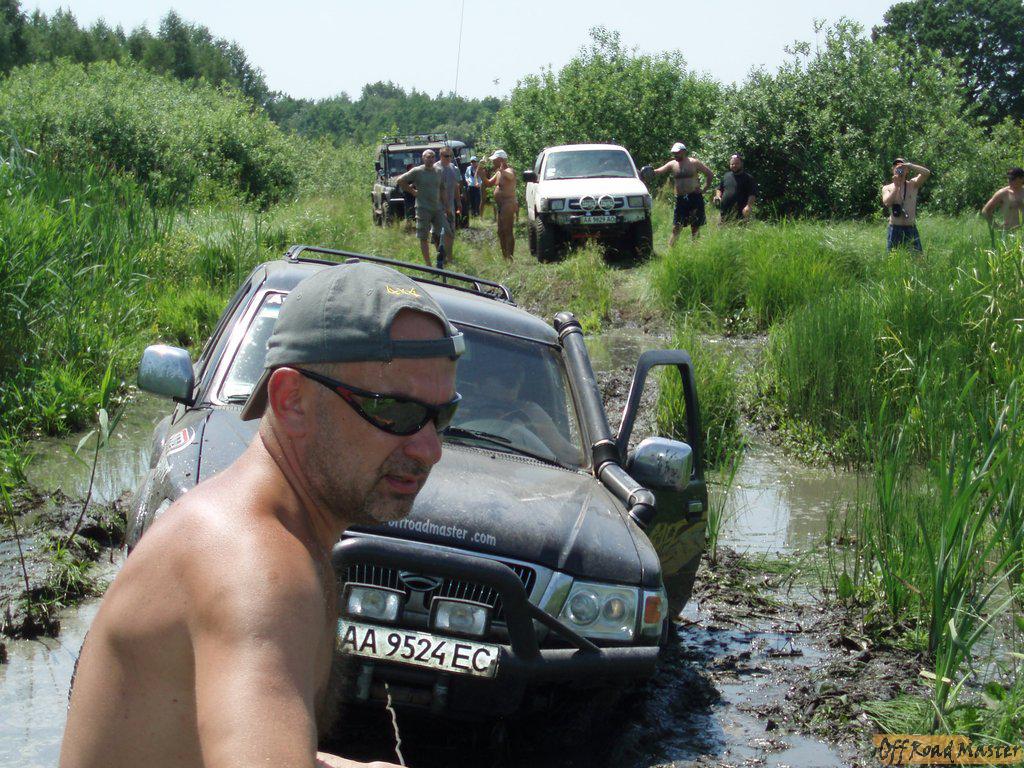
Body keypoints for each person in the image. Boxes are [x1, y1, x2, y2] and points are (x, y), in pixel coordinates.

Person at [59, 261, 464, 768]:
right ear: (292, 400)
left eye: (441, 415)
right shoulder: (254, 565)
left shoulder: (255, 529)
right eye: (396, 411)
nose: (430, 449)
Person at [652, 142, 714, 244]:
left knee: (695, 226)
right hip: (680, 199)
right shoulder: (672, 164)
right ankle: (672, 250)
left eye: (677, 153)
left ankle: (696, 248)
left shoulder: (694, 162)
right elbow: (659, 171)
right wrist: (645, 172)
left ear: (684, 152)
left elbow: (710, 174)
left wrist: (704, 189)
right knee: (677, 226)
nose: (675, 155)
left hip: (694, 197)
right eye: (674, 153)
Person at [396, 149, 447, 267]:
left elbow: (442, 188)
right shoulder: (417, 171)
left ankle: (440, 260)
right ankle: (428, 265)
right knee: (423, 237)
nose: (430, 159)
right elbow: (400, 180)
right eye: (427, 157)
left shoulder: (439, 171)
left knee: (439, 234)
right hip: (423, 208)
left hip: (437, 208)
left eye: (432, 157)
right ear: (423, 158)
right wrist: (413, 191)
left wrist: (446, 205)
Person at [881, 157, 931, 252]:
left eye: (902, 166)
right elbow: (887, 203)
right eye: (896, 166)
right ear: (892, 169)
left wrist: (909, 165)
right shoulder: (887, 188)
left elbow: (926, 173)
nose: (899, 168)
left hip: (910, 228)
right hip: (895, 228)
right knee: (892, 258)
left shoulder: (913, 184)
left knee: (917, 257)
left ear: (907, 170)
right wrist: (896, 187)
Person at [483, 149, 517, 260]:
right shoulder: (498, 172)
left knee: (507, 230)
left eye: (495, 160)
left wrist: (503, 171)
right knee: (500, 231)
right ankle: (505, 256)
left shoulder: (509, 170)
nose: (493, 162)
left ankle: (510, 257)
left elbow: (511, 176)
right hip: (501, 205)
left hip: (508, 203)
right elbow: (488, 183)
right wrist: (482, 175)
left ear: (501, 160)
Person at [435, 146, 462, 268]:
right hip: (436, 206)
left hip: (450, 206)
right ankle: (440, 258)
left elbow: (456, 186)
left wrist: (459, 202)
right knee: (438, 233)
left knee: (450, 232)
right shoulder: (435, 169)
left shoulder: (453, 168)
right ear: (441, 156)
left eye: (451, 156)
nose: (449, 158)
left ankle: (449, 258)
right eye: (446, 156)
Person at [714, 154, 757, 224]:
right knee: (722, 229)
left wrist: (748, 206)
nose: (734, 166)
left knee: (739, 229)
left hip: (741, 214)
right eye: (732, 164)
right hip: (724, 213)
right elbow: (719, 188)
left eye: (737, 164)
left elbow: (752, 194)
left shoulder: (748, 178)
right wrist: (718, 196)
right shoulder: (726, 175)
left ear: (741, 164)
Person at [981, 167, 1024, 233]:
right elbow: (985, 211)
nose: (1009, 181)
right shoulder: (1003, 193)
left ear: (1022, 178)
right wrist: (997, 227)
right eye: (1008, 178)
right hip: (1010, 233)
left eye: (1012, 179)